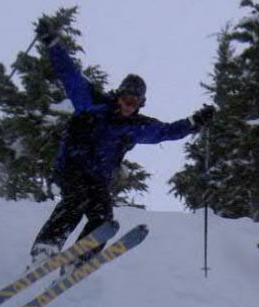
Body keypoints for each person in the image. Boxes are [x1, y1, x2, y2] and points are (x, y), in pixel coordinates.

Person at [28, 18, 216, 264]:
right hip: (71, 167)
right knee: (76, 198)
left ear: (140, 104)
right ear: (119, 96)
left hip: (98, 178)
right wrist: (52, 44)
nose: (129, 105)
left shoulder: (136, 127)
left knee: (104, 219)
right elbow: (69, 73)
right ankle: (46, 247)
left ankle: (80, 259)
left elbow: (167, 132)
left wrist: (195, 122)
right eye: (127, 99)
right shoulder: (92, 103)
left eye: (134, 102)